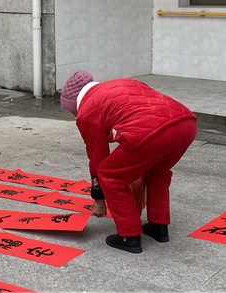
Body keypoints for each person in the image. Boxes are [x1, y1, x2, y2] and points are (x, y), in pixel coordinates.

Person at [60, 70, 197, 253]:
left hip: (151, 132)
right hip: (186, 123)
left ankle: (129, 236)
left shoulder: (86, 111)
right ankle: (159, 227)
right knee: (158, 172)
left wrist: (99, 199)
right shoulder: (123, 83)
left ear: (74, 104)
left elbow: (97, 157)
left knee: (110, 175)